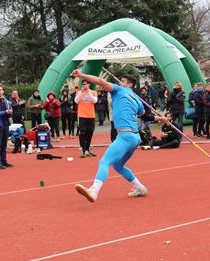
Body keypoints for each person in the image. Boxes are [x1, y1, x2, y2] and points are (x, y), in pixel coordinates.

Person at [72, 69, 168, 203]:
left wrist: (81, 75)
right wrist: (160, 118)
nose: (119, 82)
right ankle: (140, 188)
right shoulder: (137, 100)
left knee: (104, 162)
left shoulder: (119, 90)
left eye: (122, 81)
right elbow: (145, 116)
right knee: (118, 165)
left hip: (125, 136)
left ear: (130, 84)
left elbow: (100, 81)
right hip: (135, 139)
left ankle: (93, 191)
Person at [75, 79, 98, 158]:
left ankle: (88, 150)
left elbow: (95, 101)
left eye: (86, 84)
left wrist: (88, 93)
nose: (84, 85)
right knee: (83, 132)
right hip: (82, 115)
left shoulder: (93, 92)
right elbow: (76, 101)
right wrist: (82, 92)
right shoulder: (79, 92)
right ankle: (84, 150)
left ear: (89, 85)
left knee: (90, 132)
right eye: (83, 84)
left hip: (91, 115)